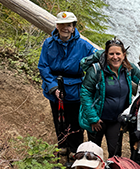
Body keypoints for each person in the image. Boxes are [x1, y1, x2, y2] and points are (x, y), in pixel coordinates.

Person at [38, 12, 97, 157]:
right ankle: (62, 146)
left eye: (69, 25)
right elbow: (43, 66)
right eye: (62, 25)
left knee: (75, 123)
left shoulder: (83, 45)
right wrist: (53, 87)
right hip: (55, 89)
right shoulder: (48, 43)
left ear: (73, 27)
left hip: (75, 90)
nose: (66, 28)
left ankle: (75, 150)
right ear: (57, 26)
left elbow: (97, 57)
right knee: (59, 119)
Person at [79, 38, 140, 157]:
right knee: (92, 153)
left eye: (118, 53)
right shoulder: (97, 70)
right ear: (106, 55)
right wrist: (93, 118)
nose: (115, 57)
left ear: (124, 55)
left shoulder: (128, 69)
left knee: (115, 154)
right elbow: (85, 93)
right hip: (98, 120)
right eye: (111, 54)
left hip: (116, 120)